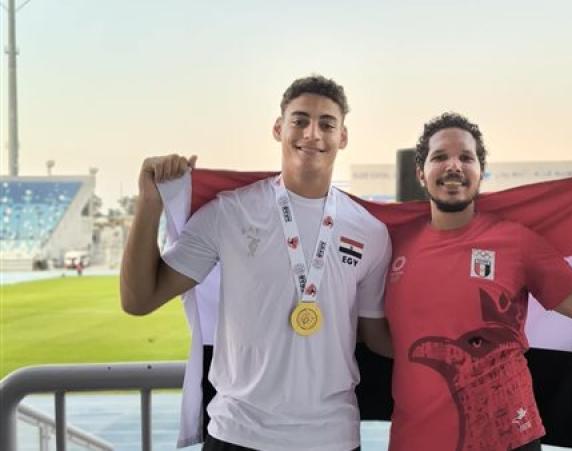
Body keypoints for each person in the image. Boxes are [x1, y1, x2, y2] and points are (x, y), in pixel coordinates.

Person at [120, 75, 392, 451]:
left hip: (331, 437)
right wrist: (149, 204)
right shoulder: (230, 212)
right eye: (300, 120)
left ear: (342, 136)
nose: (312, 133)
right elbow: (139, 300)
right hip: (237, 432)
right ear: (279, 128)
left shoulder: (370, 231)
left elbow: (376, 336)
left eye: (327, 124)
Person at [383, 112, 572, 451]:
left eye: (466, 157)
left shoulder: (516, 242)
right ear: (420, 173)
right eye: (440, 157)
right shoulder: (392, 243)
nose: (454, 166)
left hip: (508, 439)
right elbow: (376, 334)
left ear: (481, 172)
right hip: (415, 440)